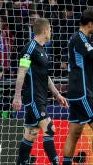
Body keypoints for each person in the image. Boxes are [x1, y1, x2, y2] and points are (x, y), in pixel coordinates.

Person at [12, 18, 68, 165]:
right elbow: (22, 71)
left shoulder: (42, 49)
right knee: (50, 129)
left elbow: (45, 76)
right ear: (44, 30)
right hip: (33, 97)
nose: (51, 31)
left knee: (30, 136)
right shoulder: (30, 48)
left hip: (41, 97)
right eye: (49, 29)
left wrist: (57, 94)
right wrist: (17, 96)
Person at [62, 9, 93, 165]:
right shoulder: (78, 37)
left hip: (78, 91)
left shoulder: (85, 38)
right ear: (90, 24)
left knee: (74, 133)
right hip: (82, 92)